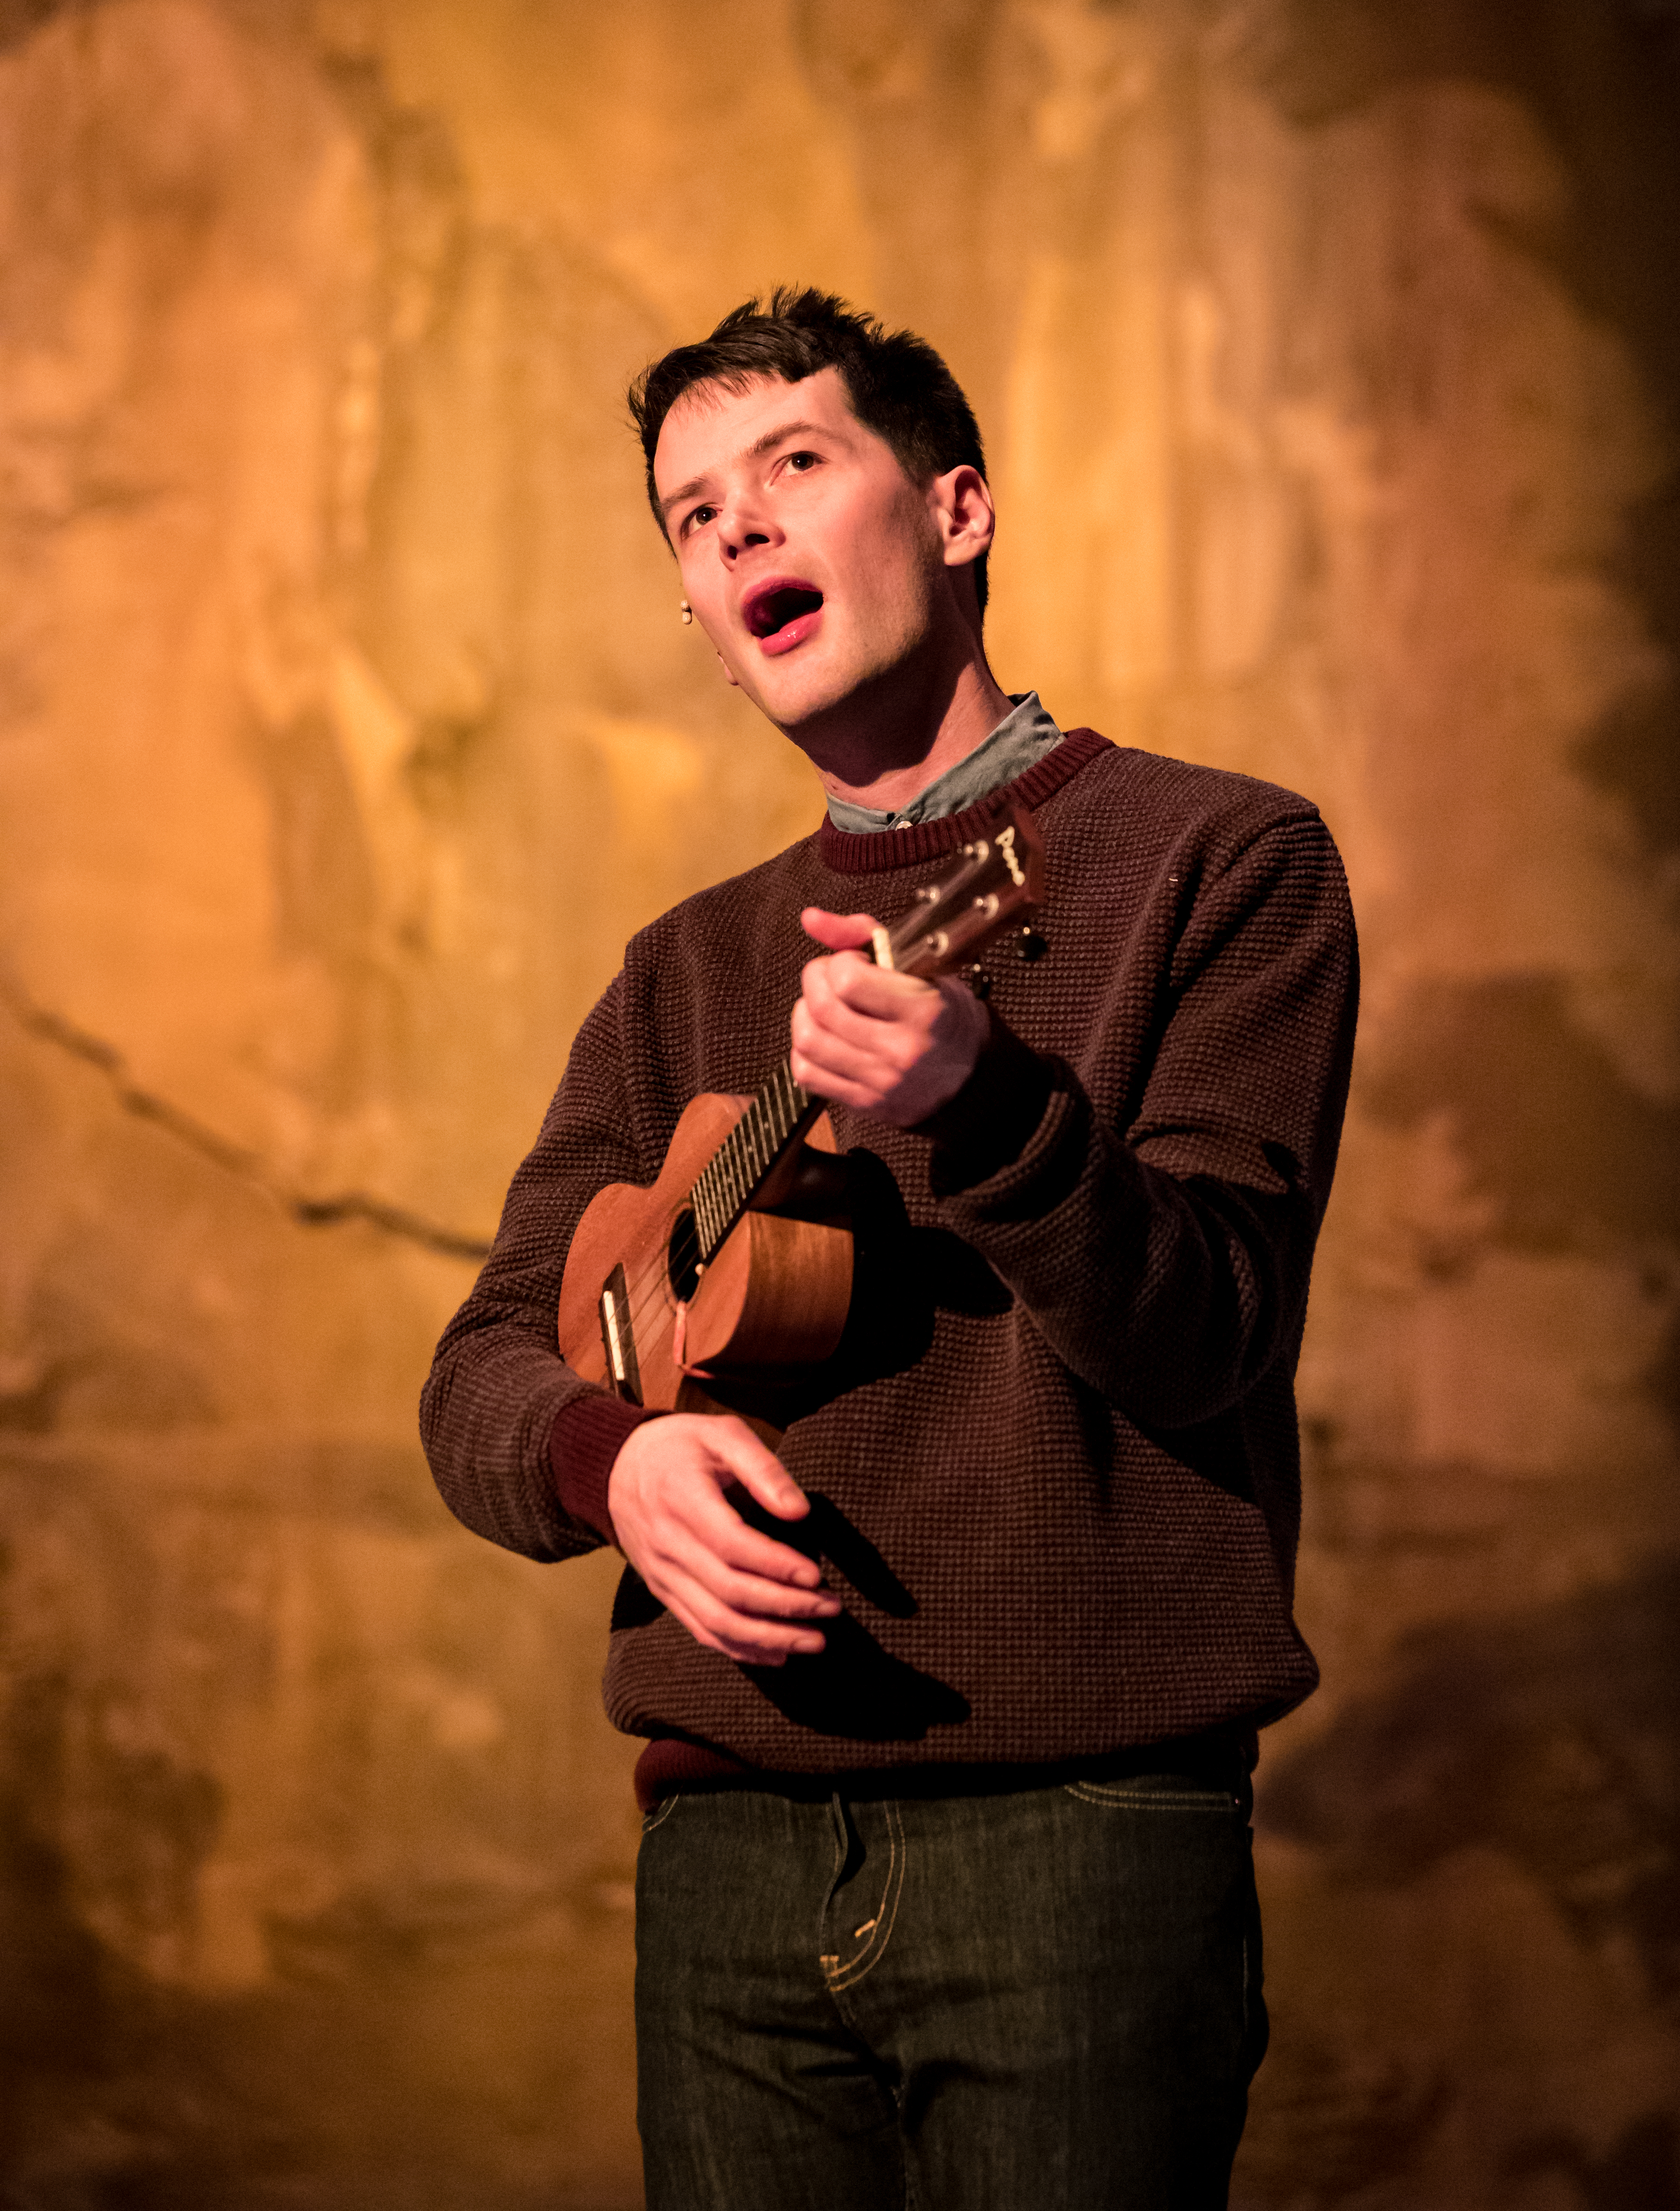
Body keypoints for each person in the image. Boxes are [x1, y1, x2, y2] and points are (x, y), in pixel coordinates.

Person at [420, 288, 1357, 2210]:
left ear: (955, 513)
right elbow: (487, 1367)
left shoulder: (1225, 862)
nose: (736, 528)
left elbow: (1216, 1334)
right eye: (691, 516)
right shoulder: (684, 966)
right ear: (692, 612)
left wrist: (991, 1114)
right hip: (729, 1858)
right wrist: (619, 1459)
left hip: (1080, 1842)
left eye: (793, 465)